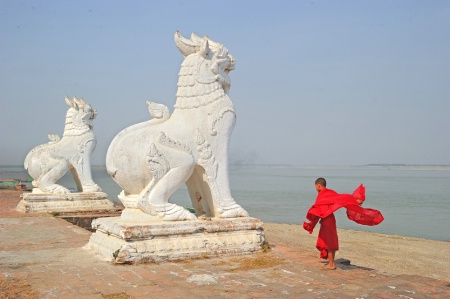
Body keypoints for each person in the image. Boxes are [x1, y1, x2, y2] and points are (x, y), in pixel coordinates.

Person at [303, 178, 384, 270]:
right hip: (330, 219)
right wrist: (355, 201)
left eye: (315, 187)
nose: (316, 189)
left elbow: (318, 207)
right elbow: (340, 199)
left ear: (318, 185)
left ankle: (331, 264)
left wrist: (310, 224)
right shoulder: (330, 193)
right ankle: (331, 262)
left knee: (328, 242)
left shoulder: (322, 194)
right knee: (330, 241)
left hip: (327, 221)